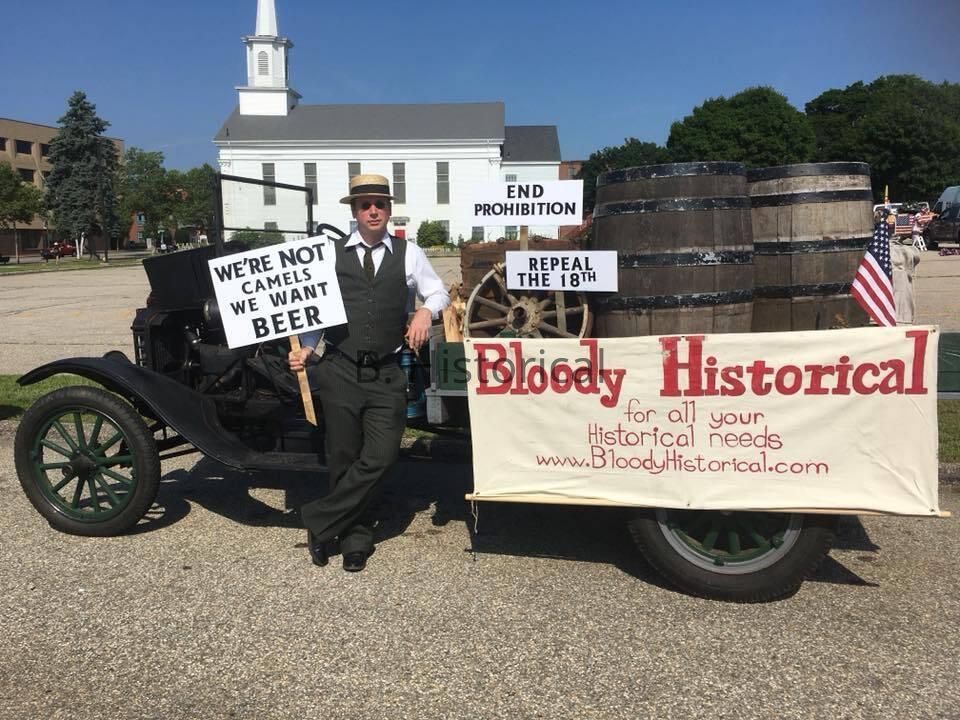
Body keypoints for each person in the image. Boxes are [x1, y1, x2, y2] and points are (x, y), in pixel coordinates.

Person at [288, 173, 449, 572]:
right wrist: (306, 347)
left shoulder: (409, 252)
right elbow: (316, 309)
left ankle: (319, 521)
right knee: (344, 456)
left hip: (386, 372)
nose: (373, 211)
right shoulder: (331, 254)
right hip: (339, 369)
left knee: (382, 455)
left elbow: (438, 291)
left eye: (380, 204)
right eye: (365, 205)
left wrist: (425, 312)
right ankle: (355, 538)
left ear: (389, 210)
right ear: (355, 212)